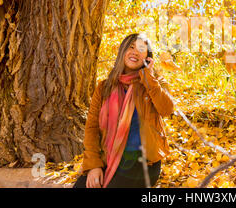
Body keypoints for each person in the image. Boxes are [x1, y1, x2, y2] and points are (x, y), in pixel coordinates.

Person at [73, 33, 175, 188]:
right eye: (131, 47)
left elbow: (167, 109)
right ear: (123, 52)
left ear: (148, 57)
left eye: (141, 49)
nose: (135, 52)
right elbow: (92, 128)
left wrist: (148, 78)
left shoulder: (155, 84)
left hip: (143, 163)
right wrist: (94, 165)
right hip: (109, 158)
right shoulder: (104, 87)